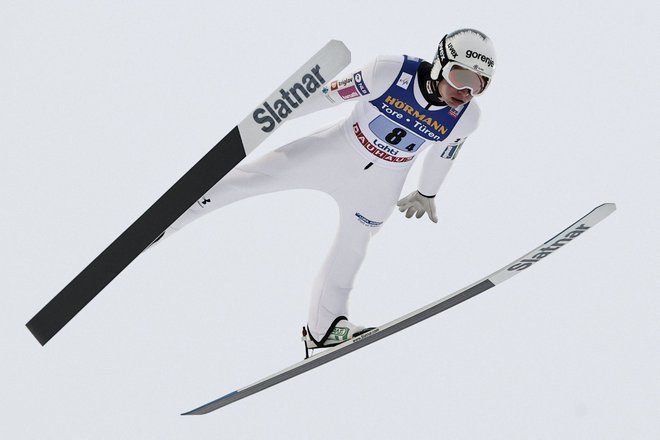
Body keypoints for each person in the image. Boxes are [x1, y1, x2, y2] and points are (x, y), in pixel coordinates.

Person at [152, 28, 496, 353]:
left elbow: (444, 153)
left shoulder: (466, 118)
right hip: (336, 152)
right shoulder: (390, 72)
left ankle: (325, 329)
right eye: (461, 77)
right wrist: (277, 114)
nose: (465, 92)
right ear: (440, 63)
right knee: (251, 179)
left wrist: (427, 192)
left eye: (478, 85)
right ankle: (167, 220)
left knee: (353, 248)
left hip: (381, 184)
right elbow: (329, 96)